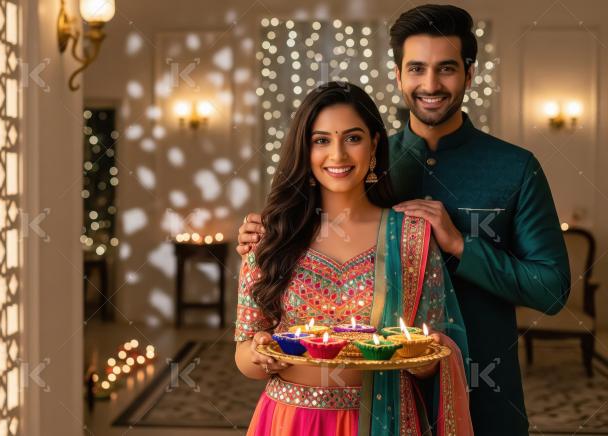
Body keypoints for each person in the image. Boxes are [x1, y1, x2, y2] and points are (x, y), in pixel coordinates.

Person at [237, 5, 571, 435]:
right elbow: (315, 213)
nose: (430, 84)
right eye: (416, 68)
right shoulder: (363, 157)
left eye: (446, 69)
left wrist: (459, 246)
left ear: (469, 74)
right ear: (397, 75)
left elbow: (552, 290)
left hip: (482, 388)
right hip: (380, 400)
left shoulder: (514, 168)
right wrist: (265, 231)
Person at [234, 81, 473, 435]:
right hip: (290, 421)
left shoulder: (409, 236)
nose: (338, 155)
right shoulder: (271, 236)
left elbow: (433, 348)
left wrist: (426, 359)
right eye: (322, 140)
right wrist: (257, 353)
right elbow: (244, 354)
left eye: (353, 138)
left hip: (384, 420)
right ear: (305, 148)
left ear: (374, 144)